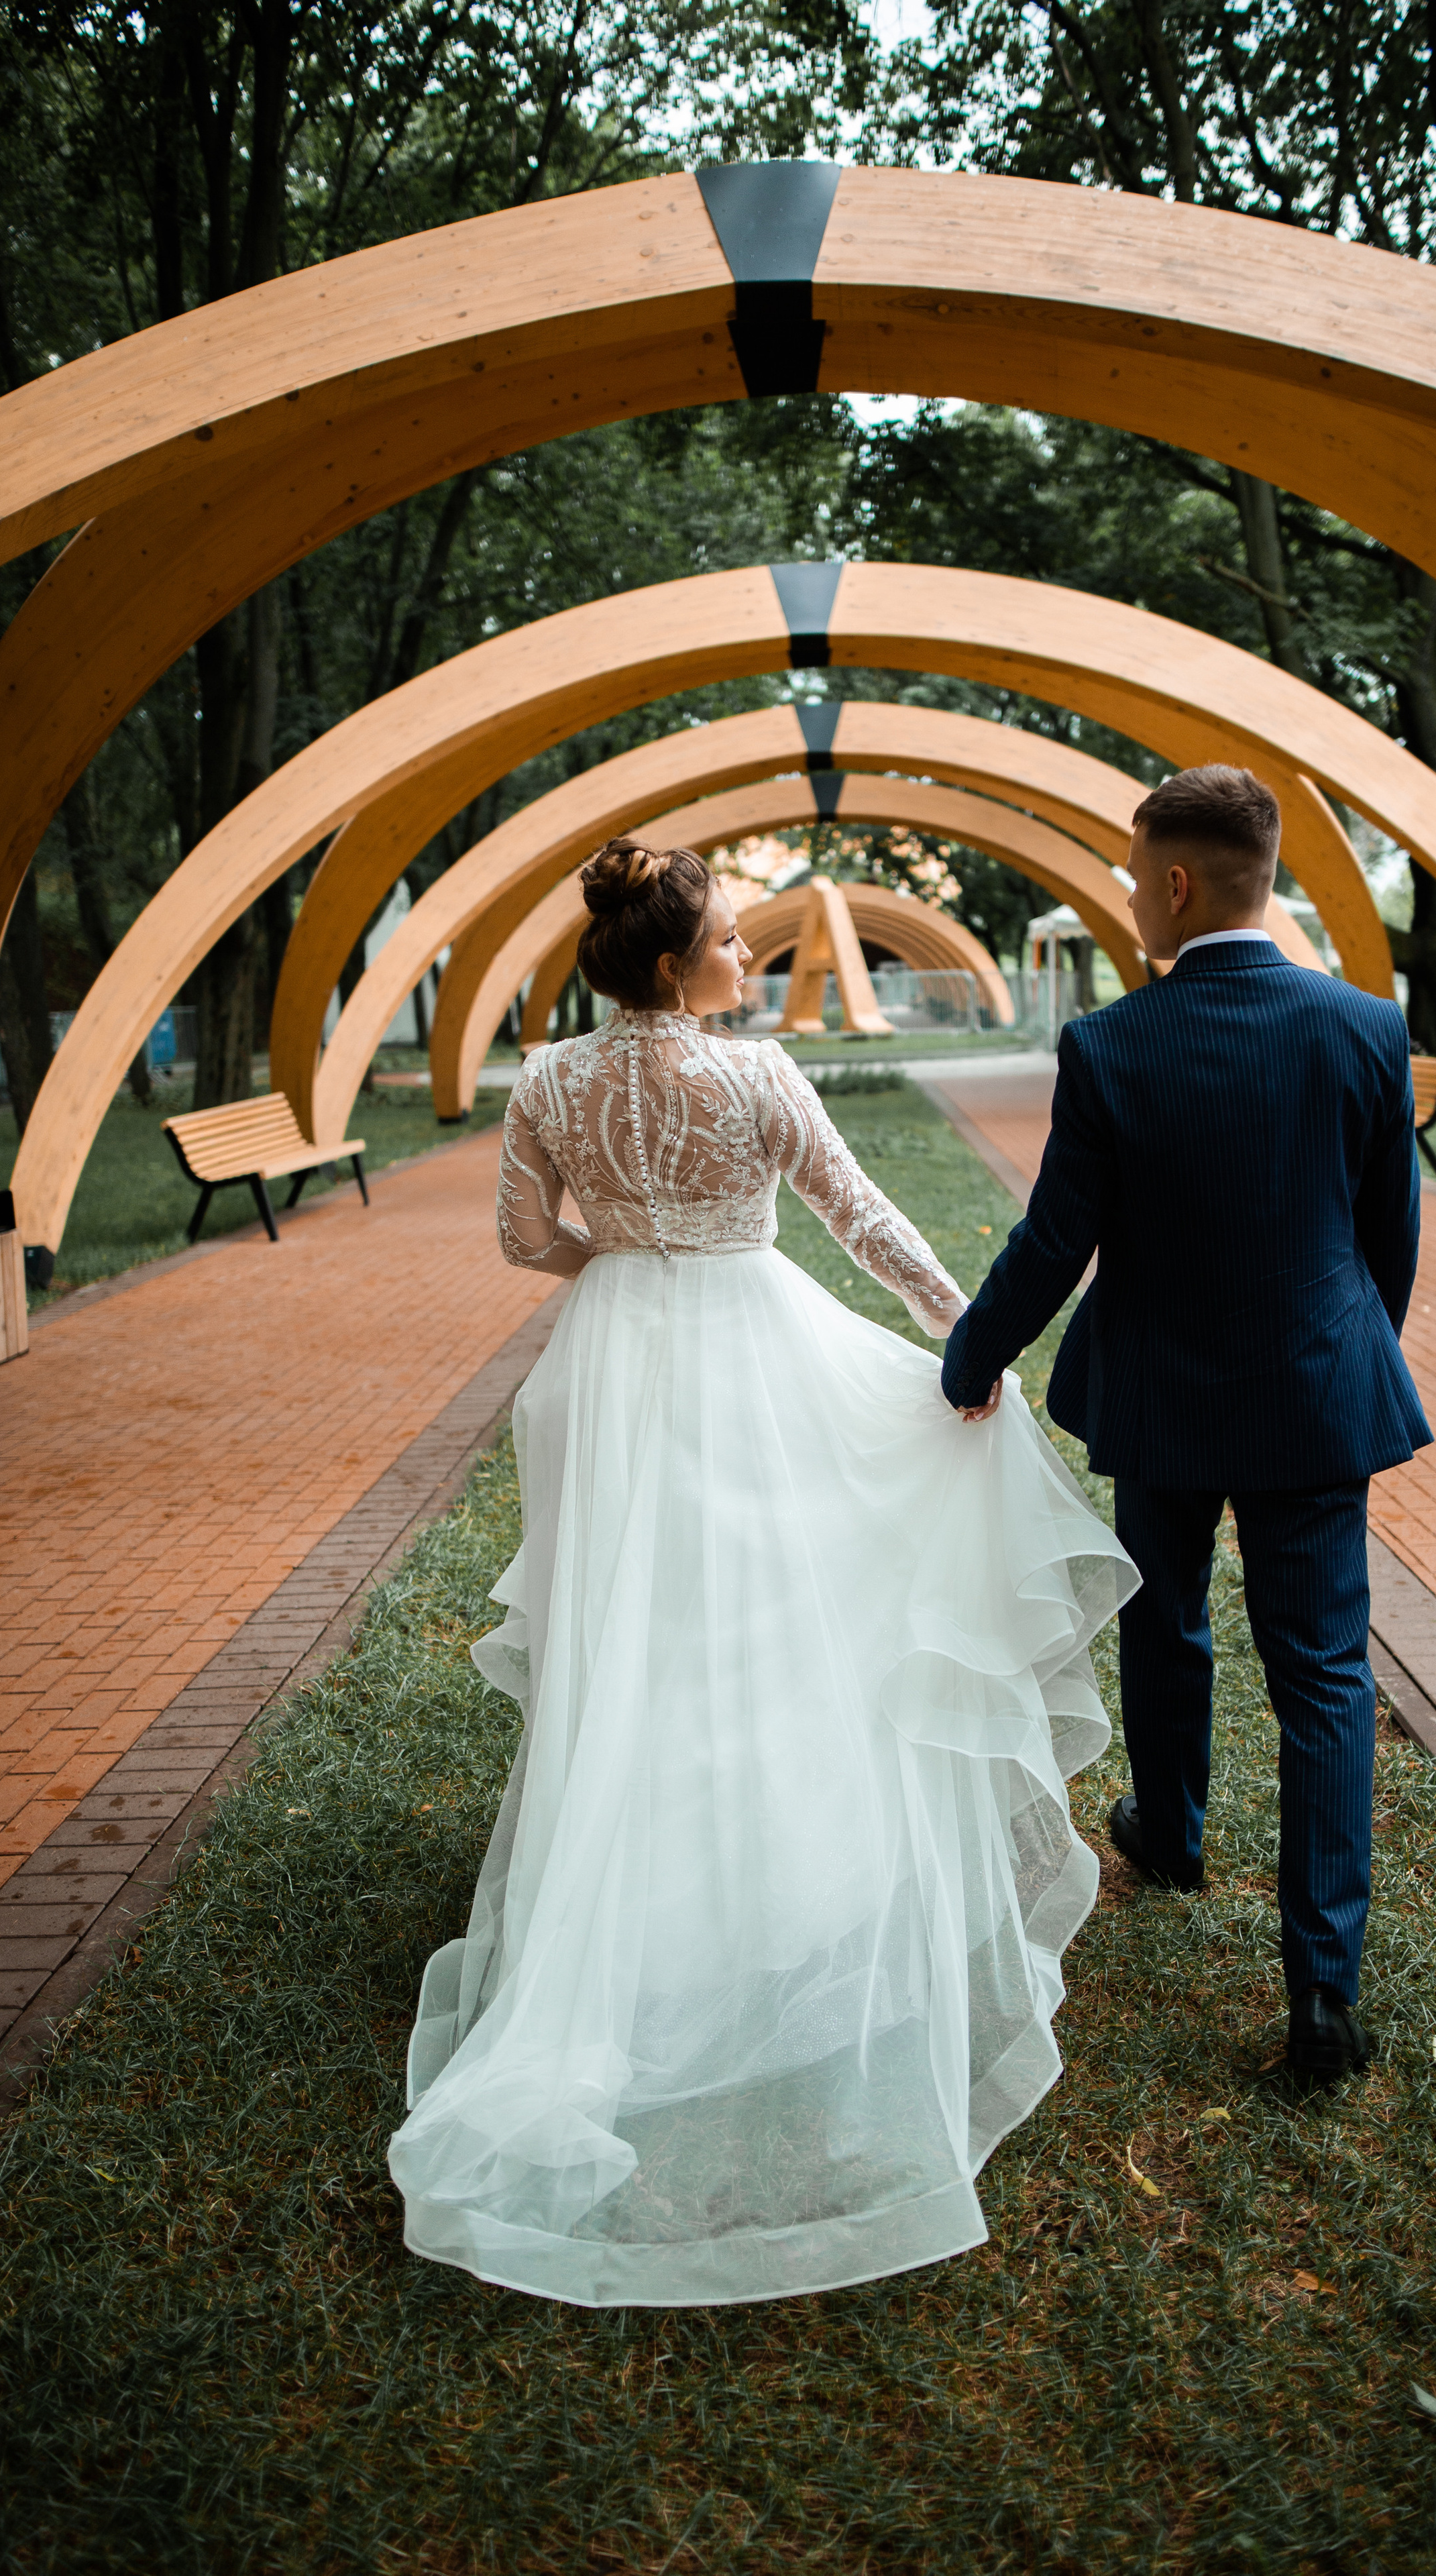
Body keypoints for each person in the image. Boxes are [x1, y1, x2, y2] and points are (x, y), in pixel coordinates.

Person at [388, 839, 1137, 2306]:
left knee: (639, 1625)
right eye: (732, 939)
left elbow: (519, 1238)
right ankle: (781, 1884)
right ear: (676, 966)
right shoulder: (755, 1080)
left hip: (612, 1366)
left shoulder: (544, 1085)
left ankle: (633, 1871)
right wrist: (963, 1338)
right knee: (774, 1621)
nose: (749, 955)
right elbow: (862, 1221)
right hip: (755, 1345)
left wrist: (622, 1267)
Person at [941, 766, 1429, 2082]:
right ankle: (1321, 1997)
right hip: (1316, 1396)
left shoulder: (1111, 1044)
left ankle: (1169, 1828)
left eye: (1128, 873)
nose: (1128, 898)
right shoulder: (1362, 1029)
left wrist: (971, 1357)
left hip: (1155, 1394)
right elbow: (1386, 1239)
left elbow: (1055, 1240)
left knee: (1164, 1619)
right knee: (1322, 1677)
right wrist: (1331, 1360)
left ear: (1171, 881)